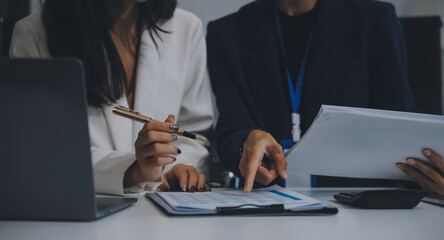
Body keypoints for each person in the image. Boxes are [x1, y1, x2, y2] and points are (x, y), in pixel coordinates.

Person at [207, 0, 414, 193]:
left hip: (355, 203)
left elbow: (398, 130)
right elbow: (230, 130)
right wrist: (246, 143)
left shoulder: (373, 20)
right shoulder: (226, 34)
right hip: (265, 205)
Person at [10, 0, 214, 195]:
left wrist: (177, 166)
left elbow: (195, 131)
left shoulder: (185, 28)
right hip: (79, 214)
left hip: (162, 215)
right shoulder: (34, 35)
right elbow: (41, 152)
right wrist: (133, 171)